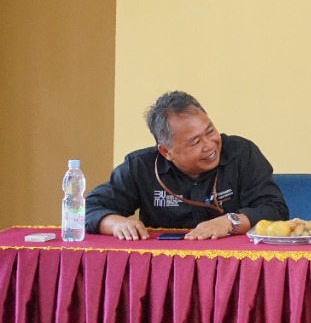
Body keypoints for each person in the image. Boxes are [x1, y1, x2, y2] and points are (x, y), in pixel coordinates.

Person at [84, 91, 288, 240]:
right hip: (165, 267)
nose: (210, 145)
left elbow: (274, 209)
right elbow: (87, 210)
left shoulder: (242, 153)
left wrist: (230, 222)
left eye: (210, 131)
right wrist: (115, 223)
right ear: (166, 151)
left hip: (232, 263)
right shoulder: (140, 167)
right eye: (195, 142)